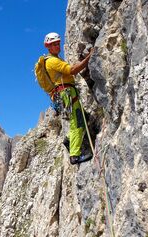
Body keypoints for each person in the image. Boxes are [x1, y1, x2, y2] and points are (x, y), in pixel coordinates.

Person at [43, 32, 94, 165]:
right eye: (54, 44)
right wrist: (90, 57)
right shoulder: (52, 61)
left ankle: (69, 140)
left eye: (58, 43)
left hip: (66, 92)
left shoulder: (55, 59)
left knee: (82, 117)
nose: (57, 46)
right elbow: (72, 70)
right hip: (67, 93)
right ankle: (75, 156)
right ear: (48, 46)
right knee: (78, 122)